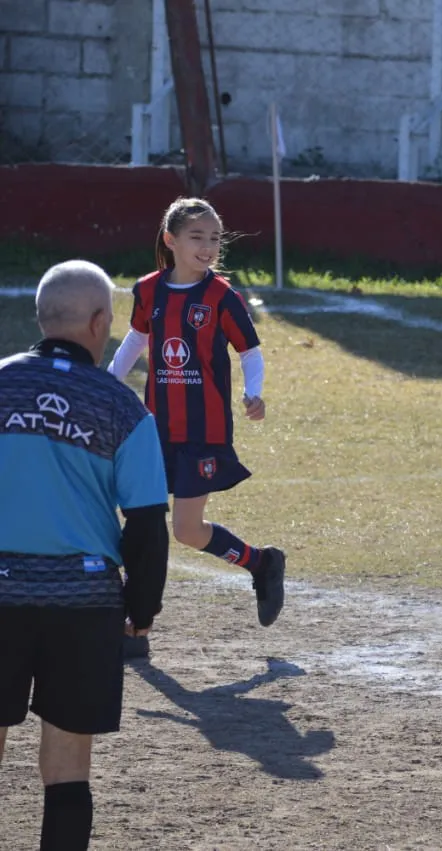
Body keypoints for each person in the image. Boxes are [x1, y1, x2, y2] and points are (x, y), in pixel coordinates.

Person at [0, 260, 170, 851]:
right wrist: (141, 609)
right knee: (68, 766)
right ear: (100, 323)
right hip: (83, 601)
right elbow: (147, 524)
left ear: (41, 317)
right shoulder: (123, 408)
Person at [107, 197, 285, 653]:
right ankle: (134, 622)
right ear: (171, 240)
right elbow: (137, 337)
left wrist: (253, 392)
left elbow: (249, 351)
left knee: (186, 530)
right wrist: (106, 383)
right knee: (136, 518)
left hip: (203, 432)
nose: (207, 246)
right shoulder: (149, 290)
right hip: (152, 429)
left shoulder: (222, 296)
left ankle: (260, 564)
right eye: (196, 237)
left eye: (214, 238)